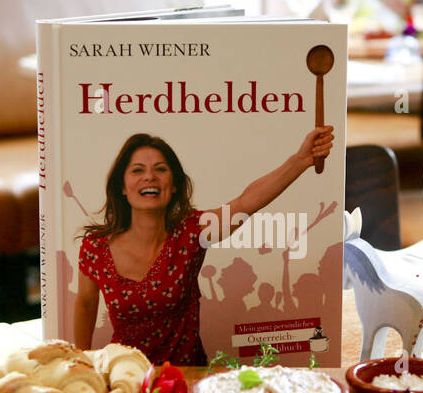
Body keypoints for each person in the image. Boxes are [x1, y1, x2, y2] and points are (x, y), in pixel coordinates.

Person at [74, 127, 334, 365]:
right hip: (126, 377)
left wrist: (300, 161)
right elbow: (85, 304)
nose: (150, 177)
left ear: (173, 185)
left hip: (187, 377)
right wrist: (82, 363)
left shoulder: (192, 232)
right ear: (122, 186)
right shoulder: (95, 248)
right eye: (137, 170)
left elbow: (245, 203)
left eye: (161, 169)